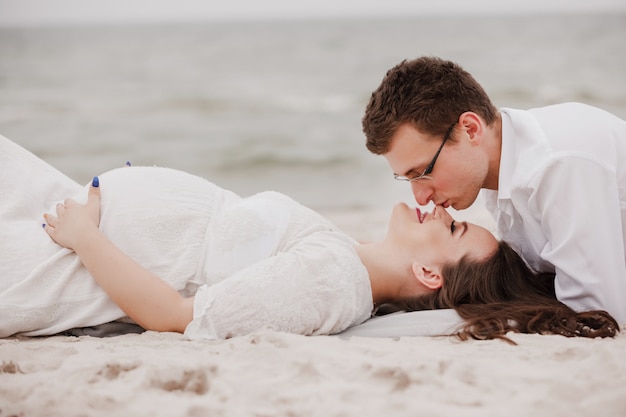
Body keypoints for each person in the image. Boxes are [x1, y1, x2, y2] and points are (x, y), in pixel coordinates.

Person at [0, 134, 617, 341]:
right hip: (64, 211)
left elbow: (179, 317)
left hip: (56, 259)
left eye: (453, 228)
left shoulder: (334, 281)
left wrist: (85, 237)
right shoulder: (340, 255)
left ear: (432, 276)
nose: (434, 208)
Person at [362, 56, 626, 325]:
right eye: (407, 178)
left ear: (470, 129)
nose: (420, 197)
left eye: (422, 173)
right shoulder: (499, 172)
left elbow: (596, 312)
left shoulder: (557, 164)